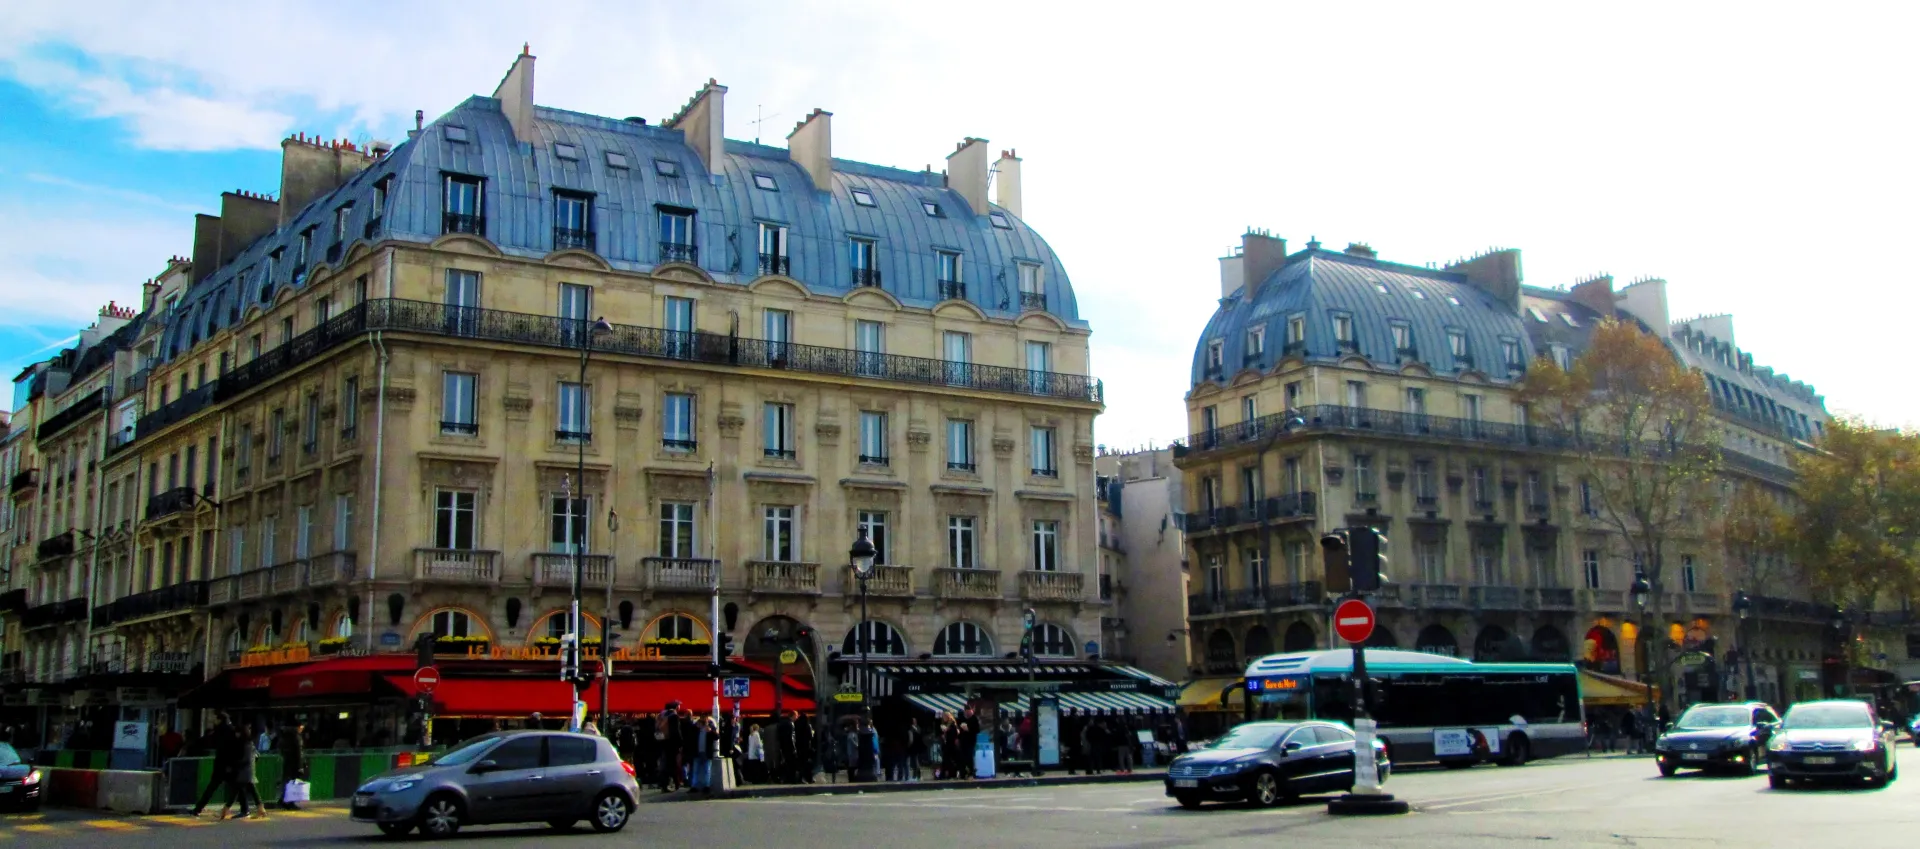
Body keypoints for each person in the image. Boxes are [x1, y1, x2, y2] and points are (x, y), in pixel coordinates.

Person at [188, 713, 241, 818]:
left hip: (222, 764)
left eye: (215, 719)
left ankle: (198, 809)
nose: (213, 721)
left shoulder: (221, 731)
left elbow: (211, 741)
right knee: (237, 787)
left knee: (213, 788)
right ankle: (243, 808)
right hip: (229, 765)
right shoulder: (231, 730)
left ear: (220, 719)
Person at [277, 722, 307, 810]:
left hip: (287, 763)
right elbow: (299, 753)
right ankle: (290, 803)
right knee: (293, 783)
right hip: (294, 764)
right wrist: (301, 766)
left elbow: (280, 748)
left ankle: (283, 801)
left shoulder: (284, 736)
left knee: (287, 782)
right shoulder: (297, 737)